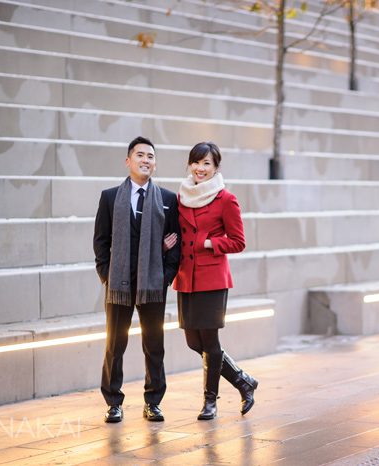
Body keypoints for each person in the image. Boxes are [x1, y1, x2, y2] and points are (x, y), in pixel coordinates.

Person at [93, 136, 180, 423]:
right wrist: (107, 276)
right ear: (128, 161)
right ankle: (113, 402)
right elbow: (101, 242)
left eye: (151, 156)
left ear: (155, 164)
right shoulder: (109, 197)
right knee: (114, 345)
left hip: (153, 284)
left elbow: (175, 244)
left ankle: (153, 402)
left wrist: (164, 277)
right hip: (118, 285)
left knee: (154, 345)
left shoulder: (167, 200)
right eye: (140, 155)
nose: (146, 160)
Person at [173, 141, 258, 420]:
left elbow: (238, 242)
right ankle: (243, 381)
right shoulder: (182, 196)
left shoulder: (226, 199)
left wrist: (209, 242)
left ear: (215, 168)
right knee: (193, 342)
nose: (200, 168)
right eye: (196, 162)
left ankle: (210, 401)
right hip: (186, 278)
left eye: (206, 163)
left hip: (212, 278)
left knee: (210, 341)